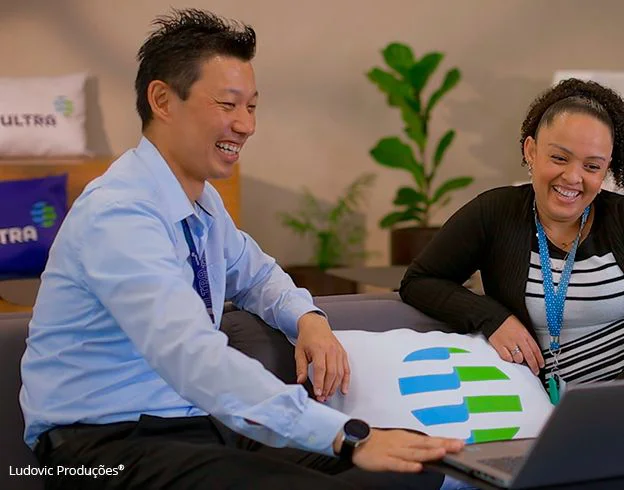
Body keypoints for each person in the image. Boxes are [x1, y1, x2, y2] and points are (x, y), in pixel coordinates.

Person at [19, 9, 460, 490]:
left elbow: (257, 275)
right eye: (228, 104)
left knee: (415, 471)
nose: (246, 125)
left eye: (252, 106)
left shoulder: (201, 202)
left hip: (198, 429)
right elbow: (192, 356)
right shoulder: (118, 214)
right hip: (97, 448)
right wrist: (346, 436)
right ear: (163, 100)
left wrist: (308, 320)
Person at [399, 78, 624, 402]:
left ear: (607, 169)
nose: (573, 177)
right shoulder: (494, 213)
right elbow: (420, 281)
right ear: (531, 150)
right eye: (559, 157)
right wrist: (491, 317)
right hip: (560, 409)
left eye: (592, 166)